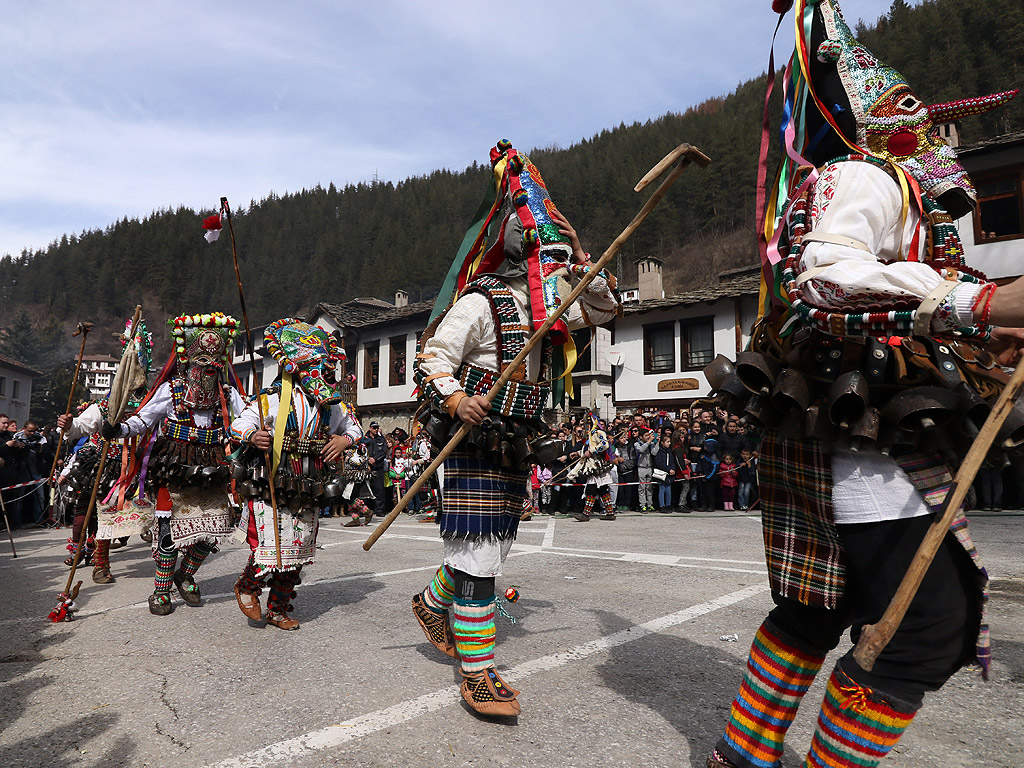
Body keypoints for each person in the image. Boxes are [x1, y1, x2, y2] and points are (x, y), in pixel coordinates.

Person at [705, 2, 1019, 766]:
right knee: (922, 629)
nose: (935, 128)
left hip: (872, 428)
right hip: (862, 435)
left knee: (818, 605)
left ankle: (739, 756)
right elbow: (826, 273)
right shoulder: (866, 174)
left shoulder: (898, 194)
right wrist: (978, 301)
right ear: (870, 120)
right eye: (910, 109)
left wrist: (982, 325)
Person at [410, 140, 619, 717]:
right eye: (545, 261)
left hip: (515, 442)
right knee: (479, 556)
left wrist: (583, 261)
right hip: (471, 441)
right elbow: (431, 360)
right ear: (521, 257)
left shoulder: (554, 306)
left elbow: (604, 311)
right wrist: (454, 400)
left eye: (556, 266)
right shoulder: (481, 302)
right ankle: (477, 673)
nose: (551, 272)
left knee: (492, 545)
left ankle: (433, 603)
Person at [105, 312, 245, 616]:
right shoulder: (170, 391)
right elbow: (143, 420)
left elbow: (249, 418)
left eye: (215, 364)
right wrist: (118, 429)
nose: (209, 370)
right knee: (168, 530)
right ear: (188, 362)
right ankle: (161, 588)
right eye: (202, 363)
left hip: (213, 468)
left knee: (216, 528)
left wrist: (262, 426)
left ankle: (185, 573)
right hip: (174, 466)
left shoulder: (228, 393)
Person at [231, 319, 361, 630]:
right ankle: (247, 586)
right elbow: (239, 423)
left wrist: (345, 440)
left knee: (299, 546)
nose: (323, 370)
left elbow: (354, 428)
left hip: (311, 481)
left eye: (323, 364)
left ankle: (277, 608)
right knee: (272, 543)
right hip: (274, 477)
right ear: (295, 367)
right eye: (314, 364)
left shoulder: (334, 405)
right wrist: (253, 436)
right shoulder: (271, 399)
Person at [55, 317, 153, 582]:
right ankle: (84, 549)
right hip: (99, 466)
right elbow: (80, 429)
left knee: (111, 520)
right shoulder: (104, 405)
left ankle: (100, 564)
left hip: (134, 469)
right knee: (84, 515)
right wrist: (68, 425)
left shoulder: (152, 404)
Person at [360, 421, 389, 518]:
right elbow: (360, 450)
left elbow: (383, 451)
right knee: (364, 489)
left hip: (378, 467)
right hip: (366, 467)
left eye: (377, 428)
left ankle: (379, 510)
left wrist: (375, 459)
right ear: (370, 428)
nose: (376, 429)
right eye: (374, 428)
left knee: (379, 489)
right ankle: (363, 510)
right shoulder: (364, 439)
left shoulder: (381, 439)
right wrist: (368, 459)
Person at [651, 433, 677, 513]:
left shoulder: (669, 451)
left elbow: (672, 461)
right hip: (662, 473)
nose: (669, 443)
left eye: (669, 442)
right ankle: (662, 505)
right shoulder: (659, 451)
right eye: (667, 442)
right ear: (662, 442)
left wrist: (673, 468)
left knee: (668, 489)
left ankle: (668, 504)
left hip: (669, 473)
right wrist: (668, 469)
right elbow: (659, 463)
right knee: (662, 488)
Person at [634, 428, 656, 512]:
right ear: (641, 437)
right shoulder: (637, 444)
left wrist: (657, 443)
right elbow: (641, 450)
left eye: (648, 435)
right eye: (646, 436)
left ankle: (650, 504)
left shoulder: (651, 444)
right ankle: (642, 505)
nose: (648, 437)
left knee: (649, 487)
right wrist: (648, 442)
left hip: (650, 467)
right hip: (641, 467)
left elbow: (654, 452)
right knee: (641, 488)